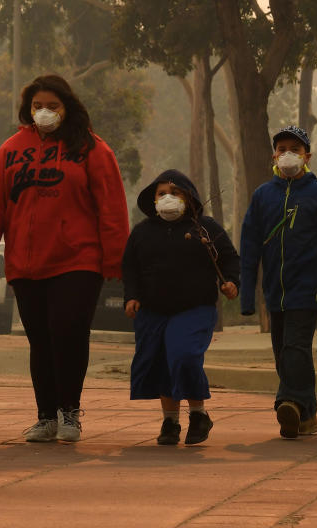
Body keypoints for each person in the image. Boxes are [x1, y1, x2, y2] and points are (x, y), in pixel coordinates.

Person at [0, 74, 129, 443]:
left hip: (78, 261)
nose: (44, 112)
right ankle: (46, 416)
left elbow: (112, 208)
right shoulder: (9, 152)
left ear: (67, 108)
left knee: (68, 331)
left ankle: (70, 412)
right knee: (41, 340)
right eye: (38, 106)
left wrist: (116, 261)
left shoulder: (92, 150)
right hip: (26, 264)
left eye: (52, 106)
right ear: (27, 110)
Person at [239, 125, 317, 439]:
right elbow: (249, 248)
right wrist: (247, 297)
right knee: (284, 352)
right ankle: (307, 415)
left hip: (309, 287)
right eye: (282, 149)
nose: (288, 154)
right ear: (273, 155)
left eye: (296, 149)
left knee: (295, 346)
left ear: (307, 156)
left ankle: (287, 401)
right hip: (275, 291)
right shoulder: (263, 196)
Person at [123, 170, 240, 446]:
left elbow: (229, 259)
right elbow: (130, 268)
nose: (168, 198)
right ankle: (170, 421)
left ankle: (199, 414)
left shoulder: (206, 228)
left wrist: (232, 282)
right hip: (153, 310)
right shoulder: (142, 232)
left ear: (189, 198)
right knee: (162, 361)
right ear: (153, 200)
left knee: (184, 354)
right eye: (161, 193)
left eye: (175, 193)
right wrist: (132, 296)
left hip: (195, 308)